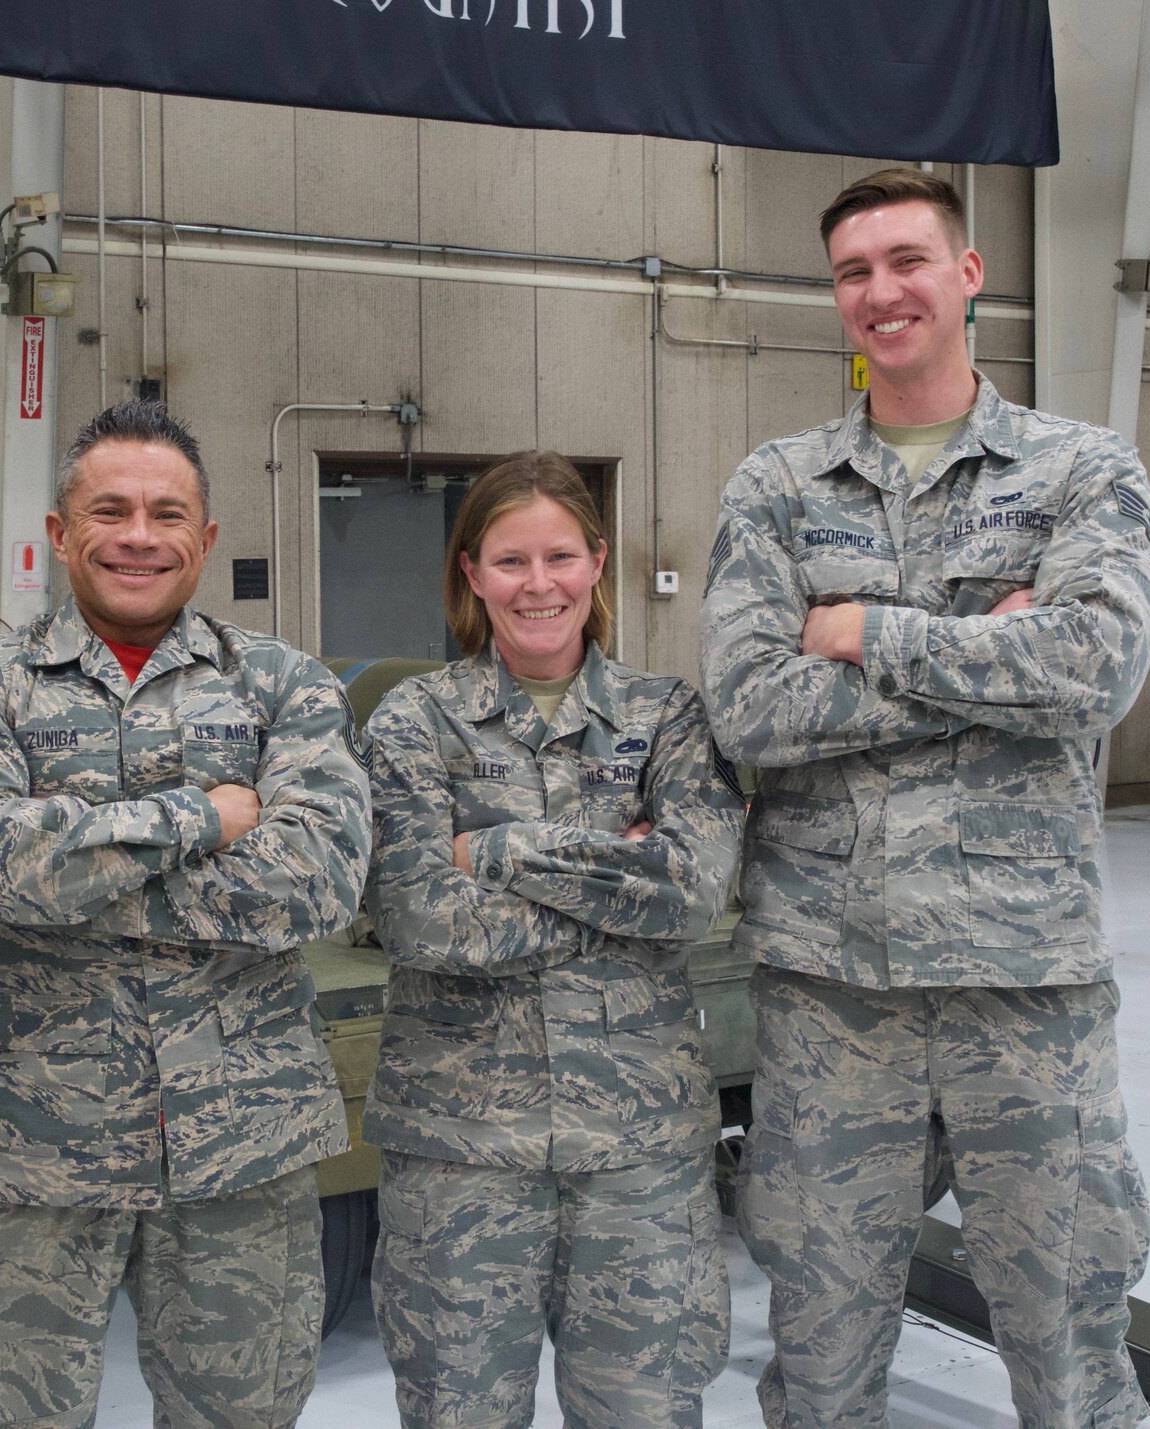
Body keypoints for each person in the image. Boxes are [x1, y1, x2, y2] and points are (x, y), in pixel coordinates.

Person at [699, 167, 1150, 1429]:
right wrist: (981, 649)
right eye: (853, 272)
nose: (879, 291)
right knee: (822, 1348)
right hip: (829, 996)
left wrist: (857, 631)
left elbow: (1094, 669)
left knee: (1070, 1341)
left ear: (966, 275)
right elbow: (747, 707)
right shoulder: (778, 486)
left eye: (906, 260)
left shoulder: (1081, 470)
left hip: (1026, 991)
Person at [0, 399, 372, 1429]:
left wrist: (75, 857)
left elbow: (322, 879)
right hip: (36, 1140)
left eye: (167, 513)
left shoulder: (285, 686)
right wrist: (205, 817)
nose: (137, 535)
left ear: (204, 540)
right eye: (108, 509)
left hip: (241, 1146)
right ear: (59, 534)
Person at [361, 452, 746, 1428]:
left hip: (637, 1154)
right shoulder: (413, 722)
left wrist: (492, 848)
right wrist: (610, 871)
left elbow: (690, 895)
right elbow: (417, 917)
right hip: (459, 1153)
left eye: (559, 557)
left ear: (596, 563)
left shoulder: (666, 719)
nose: (538, 584)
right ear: (470, 574)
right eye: (509, 561)